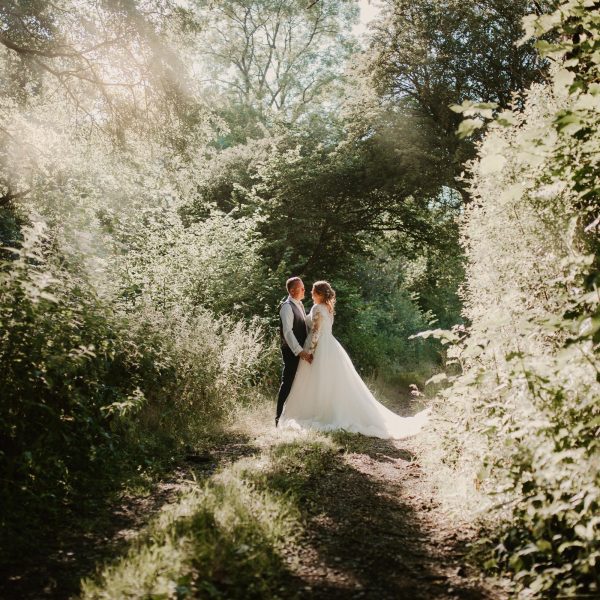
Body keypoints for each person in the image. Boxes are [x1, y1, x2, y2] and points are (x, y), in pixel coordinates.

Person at [279, 281, 429, 439]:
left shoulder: (317, 308)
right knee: (330, 381)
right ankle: (328, 409)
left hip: (319, 347)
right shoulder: (328, 308)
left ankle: (318, 412)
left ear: (320, 294)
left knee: (317, 379)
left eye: (312, 291)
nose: (310, 293)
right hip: (330, 346)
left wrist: (309, 352)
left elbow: (316, 332)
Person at [275, 276, 313, 427]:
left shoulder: (300, 305)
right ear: (292, 290)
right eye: (301, 288)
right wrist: (300, 351)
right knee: (287, 383)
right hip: (291, 352)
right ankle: (278, 420)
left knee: (300, 383)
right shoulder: (286, 307)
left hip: (301, 351)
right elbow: (288, 332)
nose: (304, 290)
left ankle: (295, 416)